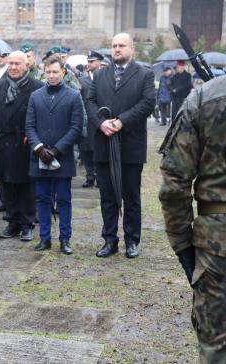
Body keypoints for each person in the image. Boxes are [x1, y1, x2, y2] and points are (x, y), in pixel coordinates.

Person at [158, 75, 226, 364]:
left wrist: (184, 246)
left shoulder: (205, 97)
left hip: (218, 242)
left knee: (216, 341)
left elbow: (174, 184)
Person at [87, 33, 155, 259]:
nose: (117, 49)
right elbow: (89, 101)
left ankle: (132, 240)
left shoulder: (144, 74)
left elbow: (147, 103)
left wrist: (122, 121)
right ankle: (109, 239)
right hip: (104, 142)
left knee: (131, 195)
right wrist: (100, 122)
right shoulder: (99, 74)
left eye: (122, 45)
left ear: (131, 49)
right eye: (114, 45)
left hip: (131, 144)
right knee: (107, 195)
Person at [25, 54, 83, 254]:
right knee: (42, 198)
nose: (51, 76)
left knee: (64, 199)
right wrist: (40, 148)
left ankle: (65, 239)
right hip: (40, 156)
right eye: (48, 72)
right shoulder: (35, 96)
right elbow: (29, 126)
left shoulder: (73, 96)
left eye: (55, 72)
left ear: (63, 72)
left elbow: (76, 127)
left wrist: (57, 149)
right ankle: (44, 238)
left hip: (62, 157)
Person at [0, 51, 43, 241]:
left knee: (27, 187)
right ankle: (12, 222)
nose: (13, 67)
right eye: (10, 63)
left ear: (26, 65)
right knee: (6, 186)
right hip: (3, 144)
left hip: (26, 144)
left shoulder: (37, 88)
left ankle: (27, 224)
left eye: (17, 64)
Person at [79, 50, 104, 188]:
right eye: (88, 61)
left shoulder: (105, 78)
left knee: (97, 149)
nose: (89, 64)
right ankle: (89, 176)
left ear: (99, 62)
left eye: (92, 61)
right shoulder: (82, 80)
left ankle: (99, 177)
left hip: (99, 120)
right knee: (85, 150)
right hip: (85, 120)